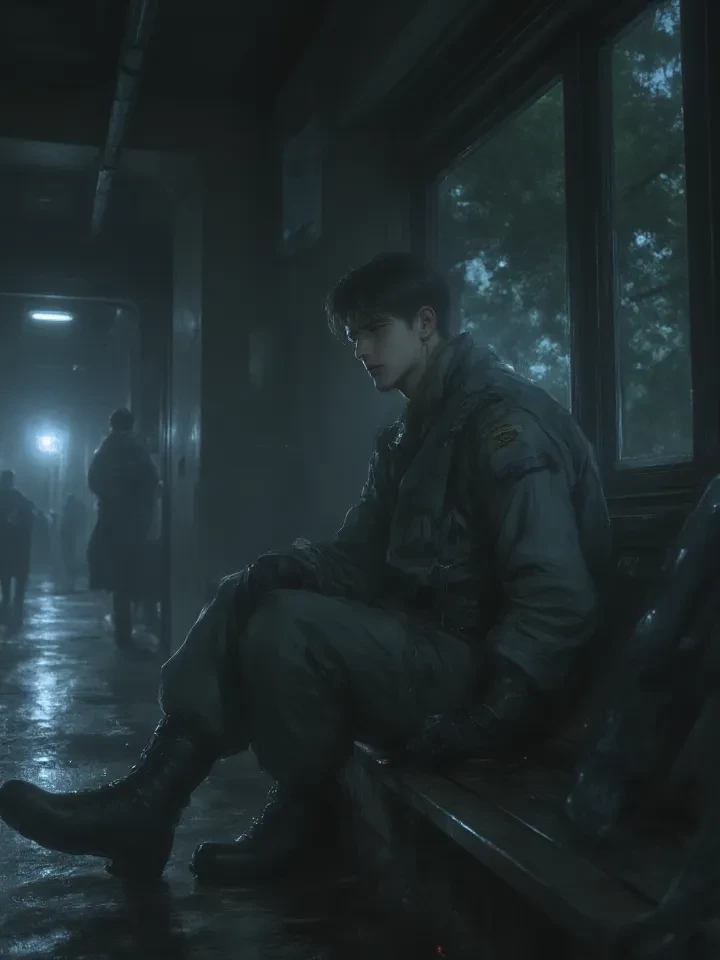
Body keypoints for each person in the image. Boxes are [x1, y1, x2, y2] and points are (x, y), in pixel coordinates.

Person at [0, 253, 612, 888]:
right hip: (433, 652)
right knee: (247, 593)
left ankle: (301, 819)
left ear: (426, 323)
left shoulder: (502, 421)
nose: (362, 350)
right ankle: (149, 800)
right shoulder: (411, 436)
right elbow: (357, 557)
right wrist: (288, 566)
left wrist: (501, 709)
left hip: (493, 681)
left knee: (288, 626)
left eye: (375, 330)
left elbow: (557, 592)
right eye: (354, 336)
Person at [86, 408, 159, 646]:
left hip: (112, 520)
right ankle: (136, 624)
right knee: (134, 574)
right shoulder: (137, 449)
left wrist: (110, 497)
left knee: (118, 580)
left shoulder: (105, 449)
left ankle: (124, 632)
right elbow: (151, 480)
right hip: (136, 520)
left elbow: (93, 481)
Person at [0, 469, 34, 630]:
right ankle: (15, 612)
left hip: (7, 547)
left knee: (7, 582)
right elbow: (30, 517)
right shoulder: (19, 498)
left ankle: (9, 609)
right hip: (16, 548)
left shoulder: (16, 498)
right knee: (14, 582)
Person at [60, 494, 87, 593]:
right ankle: (71, 580)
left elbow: (64, 525)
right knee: (70, 558)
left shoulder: (68, 510)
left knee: (69, 559)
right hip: (71, 538)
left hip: (68, 538)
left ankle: (70, 580)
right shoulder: (74, 511)